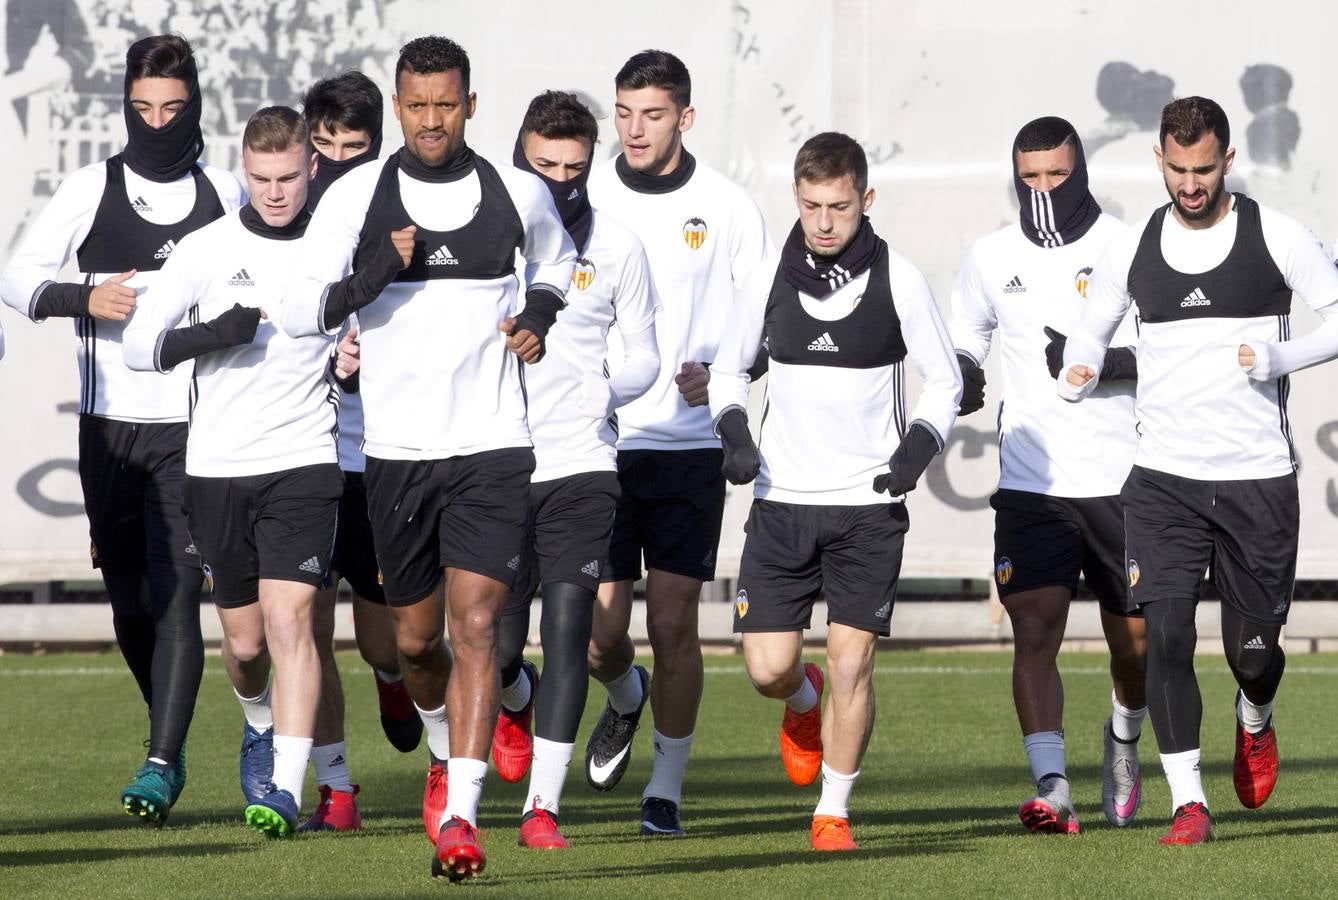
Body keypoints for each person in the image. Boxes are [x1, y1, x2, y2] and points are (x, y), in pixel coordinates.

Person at [278, 35, 575, 880]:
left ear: (471, 105)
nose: (432, 119)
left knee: (476, 624)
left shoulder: (516, 190)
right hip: (396, 454)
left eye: (447, 104)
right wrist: (372, 276)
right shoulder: (358, 198)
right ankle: (445, 746)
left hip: (491, 446)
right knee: (412, 647)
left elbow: (557, 267)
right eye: (417, 105)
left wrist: (539, 320)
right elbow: (303, 307)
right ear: (398, 107)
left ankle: (463, 817)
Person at [1059, 96, 1338, 845]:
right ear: (1159, 160)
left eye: (1204, 169)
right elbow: (1092, 326)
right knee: (1169, 634)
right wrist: (1082, 360)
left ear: (1228, 161)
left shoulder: (1277, 236)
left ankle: (1257, 716)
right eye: (1178, 169)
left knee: (1253, 655)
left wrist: (1285, 356)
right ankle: (1190, 803)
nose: (1190, 184)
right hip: (1162, 482)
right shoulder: (1133, 246)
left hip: (1256, 481)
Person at [0, 34, 244, 826]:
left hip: (190, 431)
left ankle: (162, 761)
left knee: (177, 599)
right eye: (142, 110)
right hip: (108, 434)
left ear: (195, 105)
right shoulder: (90, 187)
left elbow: (262, 283)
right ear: (126, 108)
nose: (157, 124)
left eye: (172, 110)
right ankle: (163, 731)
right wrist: (86, 298)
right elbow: (16, 275)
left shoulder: (225, 193)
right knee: (131, 608)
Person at [708, 131, 960, 850]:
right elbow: (729, 371)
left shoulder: (899, 279)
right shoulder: (766, 276)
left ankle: (834, 811)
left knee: (855, 658)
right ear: (796, 197)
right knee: (769, 669)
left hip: (869, 506)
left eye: (840, 207)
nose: (824, 222)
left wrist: (917, 449)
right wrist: (734, 433)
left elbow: (946, 381)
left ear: (866, 200)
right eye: (813, 205)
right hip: (783, 501)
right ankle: (802, 702)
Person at [123, 105, 340, 838]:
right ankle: (257, 719)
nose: (274, 193)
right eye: (259, 179)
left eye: (287, 178)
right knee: (246, 648)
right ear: (242, 171)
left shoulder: (335, 248)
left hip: (305, 462)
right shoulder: (206, 247)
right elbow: (136, 346)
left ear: (312, 167)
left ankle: (283, 784)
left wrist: (358, 364)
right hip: (216, 470)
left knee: (291, 622)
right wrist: (212, 336)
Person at [583, 49, 772, 837]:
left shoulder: (727, 206)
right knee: (596, 639)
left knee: (672, 624)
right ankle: (625, 699)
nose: (634, 128)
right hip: (597, 441)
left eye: (652, 114)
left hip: (690, 446)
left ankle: (665, 785)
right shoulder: (584, 195)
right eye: (624, 112)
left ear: (685, 119)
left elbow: (764, 325)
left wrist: (731, 372)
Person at [948, 116, 1148, 834]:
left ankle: (1125, 733)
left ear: (1081, 172)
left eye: (1055, 177)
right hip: (1032, 482)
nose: (1042, 190)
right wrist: (965, 374)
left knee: (1136, 644)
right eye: (1029, 178)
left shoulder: (1127, 247)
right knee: (1034, 627)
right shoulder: (991, 255)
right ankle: (1053, 787)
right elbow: (967, 332)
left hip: (1121, 479)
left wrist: (1099, 366)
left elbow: (1166, 352)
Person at [488, 90, 660, 849]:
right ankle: (520, 701)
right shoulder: (482, 231)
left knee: (567, 633)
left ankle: (541, 810)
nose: (560, 179)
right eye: (543, 163)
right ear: (519, 154)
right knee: (492, 653)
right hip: (490, 464)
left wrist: (604, 391)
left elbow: (646, 356)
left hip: (582, 463)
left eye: (575, 166)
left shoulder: (618, 247)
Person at [295, 69, 421, 835]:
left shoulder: (401, 213)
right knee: (301, 627)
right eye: (325, 143)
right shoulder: (282, 211)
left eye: (355, 146)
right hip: (298, 454)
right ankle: (336, 792)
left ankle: (390, 677)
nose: (338, 158)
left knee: (388, 637)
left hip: (376, 452)